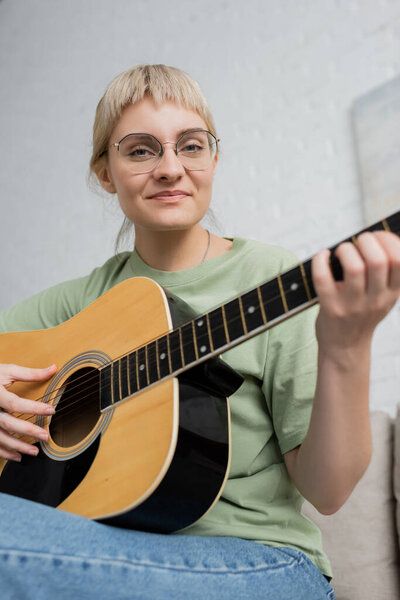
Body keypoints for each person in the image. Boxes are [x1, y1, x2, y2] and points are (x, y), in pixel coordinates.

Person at [0, 64, 399, 600]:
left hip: (266, 567)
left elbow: (329, 492)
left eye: (190, 145)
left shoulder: (271, 278)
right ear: (105, 172)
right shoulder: (80, 302)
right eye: (141, 150)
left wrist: (347, 347)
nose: (170, 168)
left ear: (213, 159)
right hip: (107, 551)